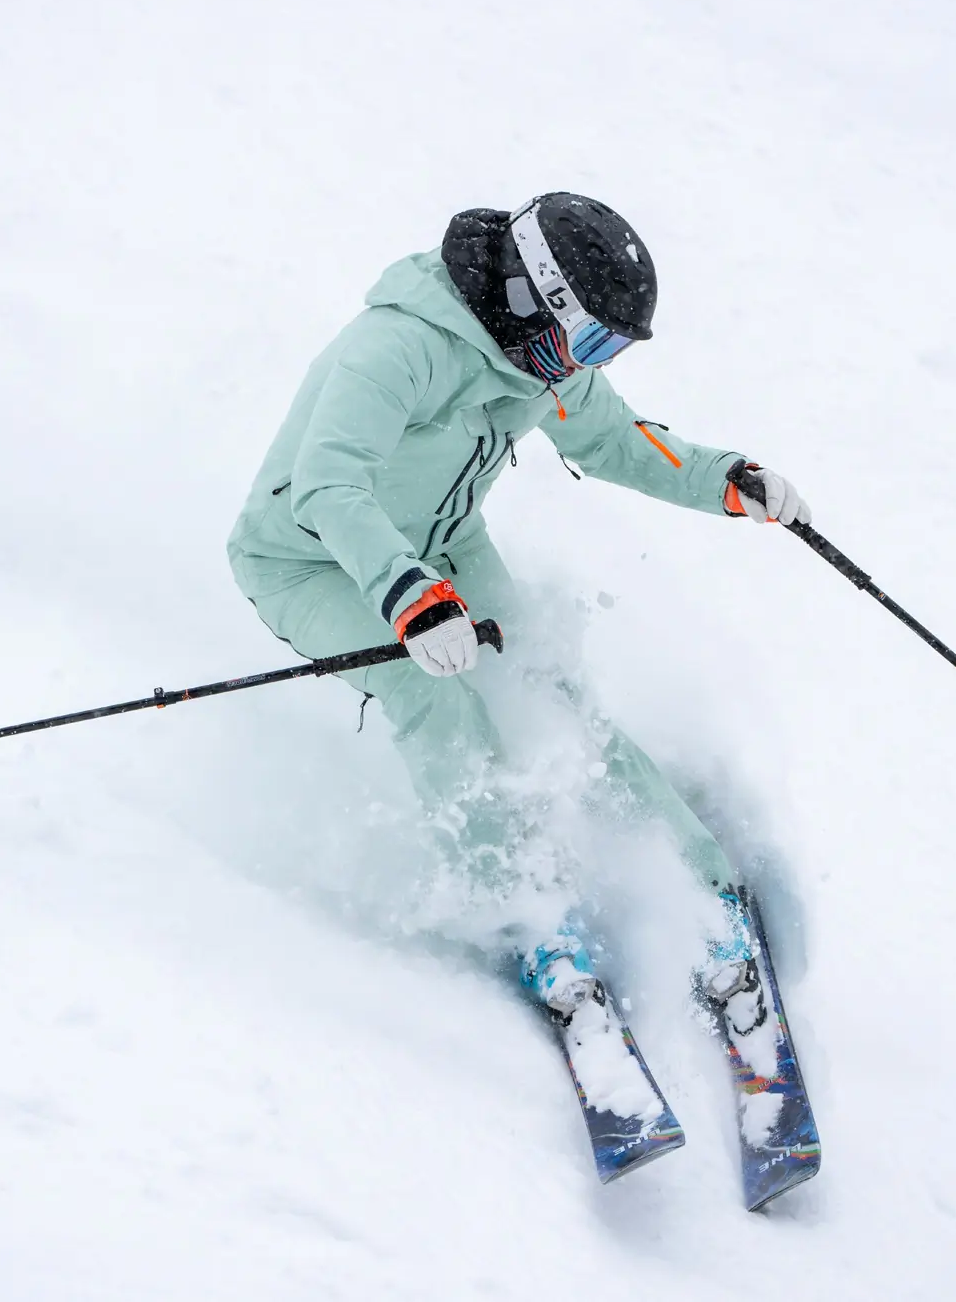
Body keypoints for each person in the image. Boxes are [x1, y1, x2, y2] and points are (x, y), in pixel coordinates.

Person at [226, 193, 810, 1024]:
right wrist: (410, 598)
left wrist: (723, 478)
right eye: (593, 339)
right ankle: (531, 919)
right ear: (535, 297)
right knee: (436, 697)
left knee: (557, 692)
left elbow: (611, 440)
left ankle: (705, 887)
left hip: (442, 543)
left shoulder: (544, 362)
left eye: (607, 348)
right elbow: (329, 484)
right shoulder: (397, 348)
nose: (590, 363)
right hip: (308, 560)